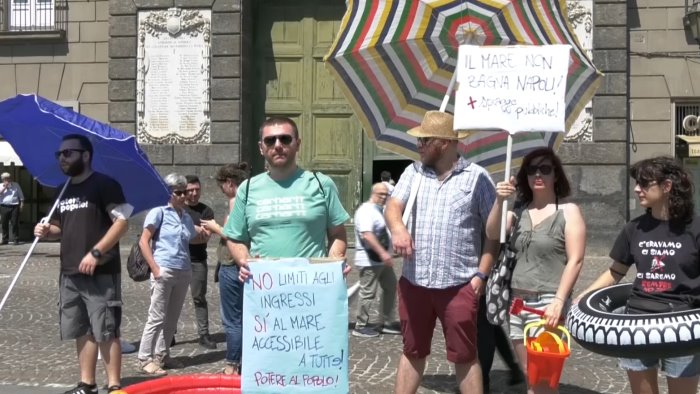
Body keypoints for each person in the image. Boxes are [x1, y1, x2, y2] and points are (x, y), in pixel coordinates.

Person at [384, 110, 499, 394]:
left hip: (459, 285)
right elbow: (393, 207)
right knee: (412, 350)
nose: (419, 145)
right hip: (414, 283)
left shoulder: (477, 178)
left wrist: (481, 276)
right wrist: (398, 229)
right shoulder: (413, 173)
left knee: (465, 356)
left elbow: (492, 235)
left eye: (425, 140)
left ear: (445, 143)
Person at [575, 156, 700, 394]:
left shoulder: (695, 229)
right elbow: (615, 272)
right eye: (636, 182)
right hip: (636, 325)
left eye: (644, 183)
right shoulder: (635, 228)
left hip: (683, 326)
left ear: (666, 186)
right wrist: (581, 298)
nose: (636, 189)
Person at [34, 134, 132, 394]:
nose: (62, 158)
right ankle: (86, 383)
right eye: (60, 154)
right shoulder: (62, 190)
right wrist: (47, 231)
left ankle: (114, 387)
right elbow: (59, 228)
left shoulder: (104, 184)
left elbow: (121, 223)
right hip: (70, 271)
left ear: (85, 155)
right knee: (82, 328)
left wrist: (96, 252)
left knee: (106, 328)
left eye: (68, 153)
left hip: (100, 270)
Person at [485, 147, 586, 394]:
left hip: (548, 303)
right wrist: (499, 201)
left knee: (544, 381)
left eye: (545, 169)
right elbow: (491, 233)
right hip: (517, 304)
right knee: (531, 378)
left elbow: (576, 260)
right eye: (531, 170)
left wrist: (559, 301)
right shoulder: (518, 212)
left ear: (556, 175)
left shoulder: (568, 212)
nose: (537, 175)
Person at [224, 116, 351, 281]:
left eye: (285, 139)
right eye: (270, 141)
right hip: (265, 290)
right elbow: (235, 238)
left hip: (313, 287)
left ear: (297, 144)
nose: (278, 145)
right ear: (261, 147)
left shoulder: (322, 184)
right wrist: (245, 262)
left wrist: (334, 261)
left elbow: (337, 233)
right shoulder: (246, 189)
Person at [136, 173, 205, 376]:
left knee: (172, 318)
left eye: (185, 192)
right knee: (156, 317)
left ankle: (162, 355)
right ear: (168, 192)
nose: (184, 196)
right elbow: (144, 241)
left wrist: (207, 233)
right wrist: (155, 269)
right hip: (164, 269)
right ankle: (144, 358)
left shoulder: (185, 216)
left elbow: (192, 238)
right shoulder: (159, 211)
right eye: (179, 193)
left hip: (183, 270)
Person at [200, 162, 250, 375]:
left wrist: (214, 227)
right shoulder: (251, 197)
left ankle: (232, 364)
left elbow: (233, 234)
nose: (221, 190)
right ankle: (244, 361)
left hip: (231, 265)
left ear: (229, 183)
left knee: (232, 319)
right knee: (243, 316)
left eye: (221, 185)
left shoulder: (235, 200)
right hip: (240, 264)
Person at [352, 182, 400, 338]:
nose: (384, 197)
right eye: (381, 194)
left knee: (391, 286)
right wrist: (383, 253)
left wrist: (390, 251)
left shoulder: (380, 210)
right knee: (368, 293)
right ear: (373, 193)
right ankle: (360, 326)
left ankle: (386, 322)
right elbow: (367, 235)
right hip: (369, 260)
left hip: (380, 260)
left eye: (386, 195)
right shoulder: (366, 211)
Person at [183, 174, 217, 350]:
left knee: (199, 298)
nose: (194, 194)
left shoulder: (206, 211)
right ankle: (169, 334)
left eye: (197, 190)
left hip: (198, 261)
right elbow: (176, 236)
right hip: (178, 260)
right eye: (190, 190)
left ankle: (203, 334)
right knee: (173, 299)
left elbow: (204, 239)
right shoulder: (178, 208)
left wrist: (186, 232)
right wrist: (196, 231)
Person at [0, 172, 24, 245]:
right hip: (4, 206)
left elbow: (21, 196)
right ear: (3, 180)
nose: (7, 180)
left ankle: (16, 239)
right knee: (4, 223)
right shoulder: (0, 186)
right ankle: (5, 239)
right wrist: (5, 187)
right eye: (5, 179)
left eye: (8, 178)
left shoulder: (16, 185)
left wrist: (22, 205)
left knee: (14, 223)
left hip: (14, 206)